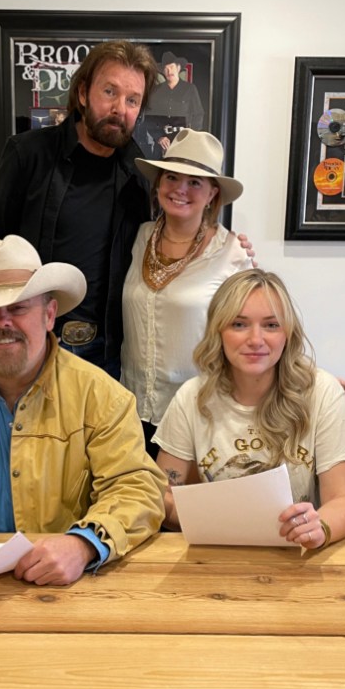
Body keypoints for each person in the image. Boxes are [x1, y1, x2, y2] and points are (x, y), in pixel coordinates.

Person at [0, 235, 166, 585]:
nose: (2, 322)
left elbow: (136, 487)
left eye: (18, 308)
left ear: (49, 315)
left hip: (65, 583)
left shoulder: (103, 397)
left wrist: (83, 545)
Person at [0, 40, 160, 378]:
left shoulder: (139, 174)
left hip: (110, 351)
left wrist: (222, 244)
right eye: (110, 92)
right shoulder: (28, 155)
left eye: (132, 100)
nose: (120, 108)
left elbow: (162, 244)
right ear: (84, 93)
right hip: (35, 343)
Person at [153, 269, 345, 547]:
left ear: (288, 333)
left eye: (271, 325)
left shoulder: (323, 392)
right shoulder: (191, 397)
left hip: (299, 553)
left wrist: (320, 529)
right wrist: (215, 522)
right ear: (218, 331)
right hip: (219, 550)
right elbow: (163, 496)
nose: (255, 340)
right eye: (239, 324)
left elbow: (342, 501)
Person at [123, 129, 251, 456]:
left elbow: (256, 331)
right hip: (131, 411)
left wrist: (307, 382)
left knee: (182, 492)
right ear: (158, 184)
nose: (180, 189)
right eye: (172, 177)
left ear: (212, 194)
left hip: (197, 415)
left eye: (194, 182)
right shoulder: (138, 238)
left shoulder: (232, 253)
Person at [142, 51, 205, 157]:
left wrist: (189, 137)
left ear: (178, 68)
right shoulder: (156, 91)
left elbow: (199, 114)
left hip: (183, 142)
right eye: (166, 68)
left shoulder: (190, 89)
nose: (169, 71)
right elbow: (149, 118)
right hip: (161, 145)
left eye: (171, 67)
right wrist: (159, 137)